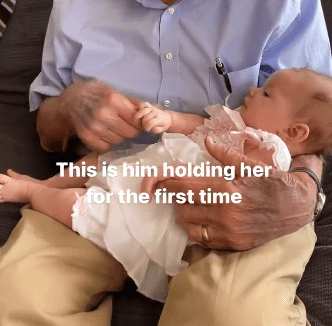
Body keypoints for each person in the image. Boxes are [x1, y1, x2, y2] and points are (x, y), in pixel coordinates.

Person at [0, 0, 331, 326]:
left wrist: (300, 194)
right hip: (108, 192)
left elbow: (310, 131)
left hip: (232, 200)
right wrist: (70, 107)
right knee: (11, 299)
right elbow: (45, 129)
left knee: (230, 315)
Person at [0, 67, 331, 313]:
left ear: (295, 131)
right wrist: (166, 119)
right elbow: (196, 124)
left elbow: (252, 183)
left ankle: (33, 194)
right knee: (96, 162)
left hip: (183, 208)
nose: (254, 90)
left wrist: (303, 186)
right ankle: (39, 184)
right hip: (141, 166)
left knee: (74, 204)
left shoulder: (269, 148)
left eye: (267, 93)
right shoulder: (235, 120)